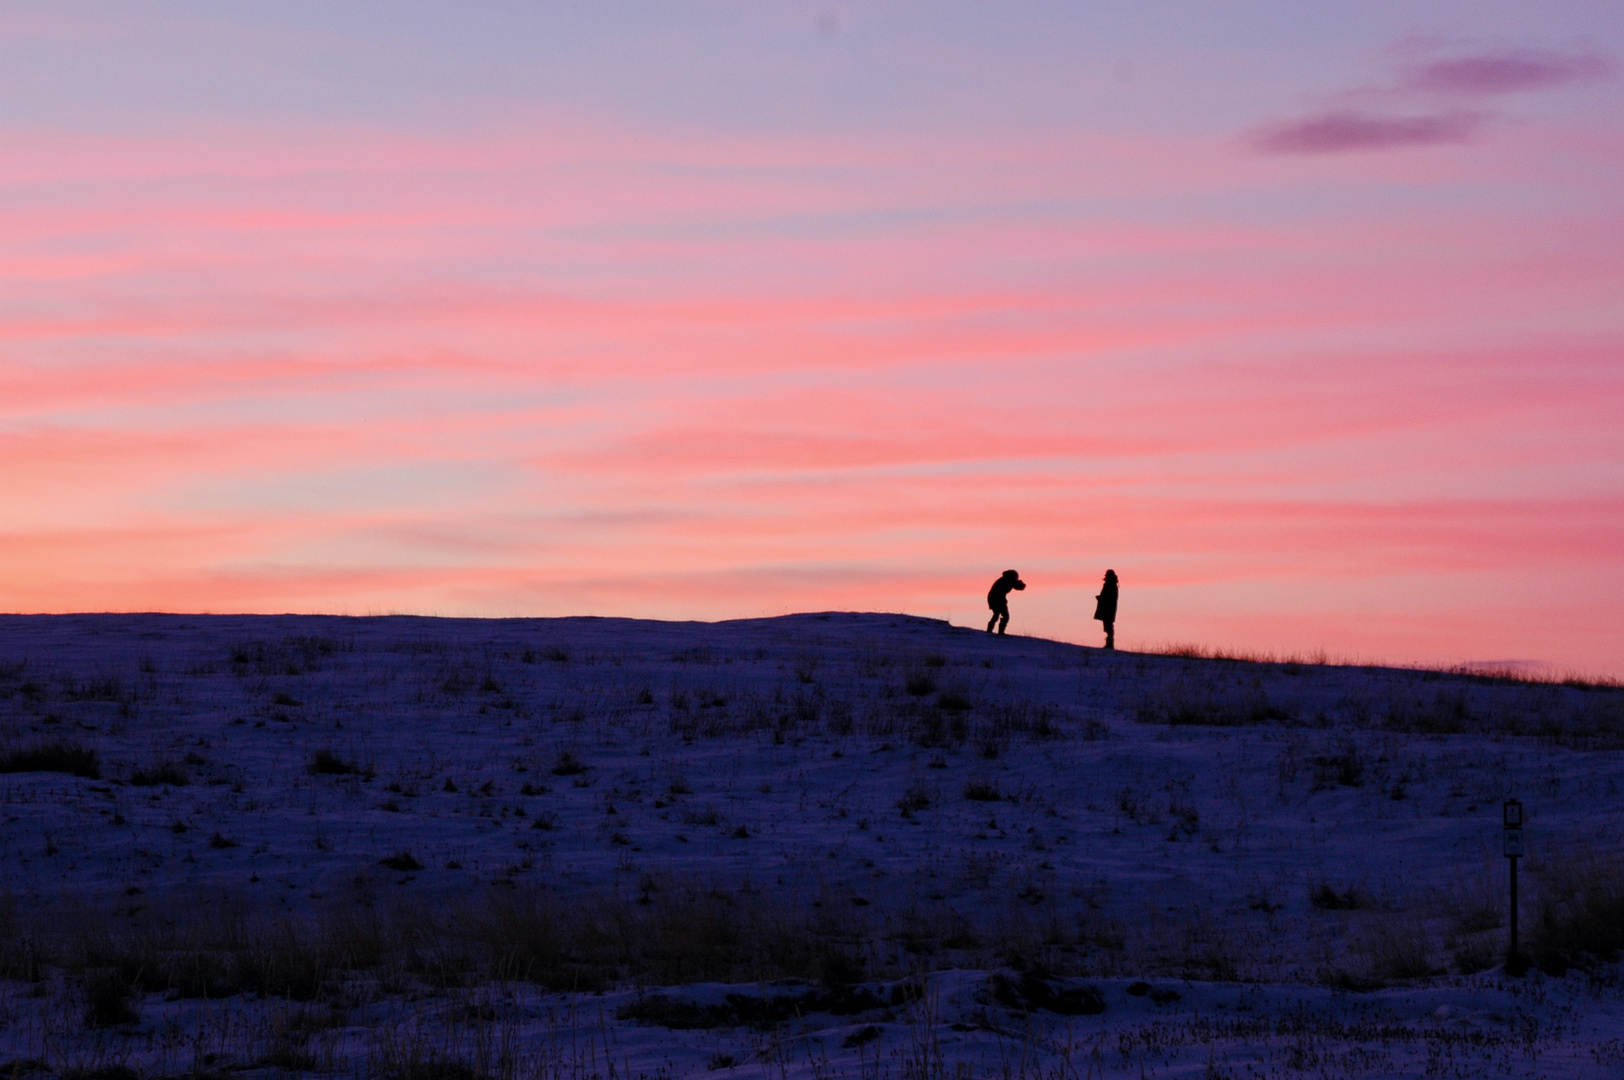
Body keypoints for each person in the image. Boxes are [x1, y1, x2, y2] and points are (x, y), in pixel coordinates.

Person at [986, 569, 1025, 635]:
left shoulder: (1004, 579)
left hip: (994, 598)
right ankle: (1000, 632)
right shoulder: (1008, 580)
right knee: (1005, 616)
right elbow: (1019, 587)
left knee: (996, 614)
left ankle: (990, 630)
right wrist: (1020, 583)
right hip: (997, 599)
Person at [1094, 569, 1118, 649]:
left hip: (1108, 609)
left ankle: (1110, 644)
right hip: (1108, 608)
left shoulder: (1111, 585)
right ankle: (1109, 644)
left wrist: (1101, 598)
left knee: (1108, 626)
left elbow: (1109, 598)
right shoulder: (1110, 585)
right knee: (1108, 625)